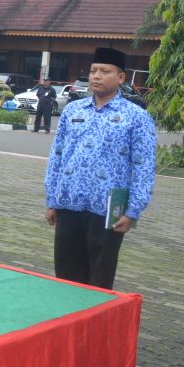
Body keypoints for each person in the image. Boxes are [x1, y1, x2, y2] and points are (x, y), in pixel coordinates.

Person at [44, 47, 157, 290]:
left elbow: (143, 166)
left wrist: (133, 210)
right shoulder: (73, 111)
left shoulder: (136, 117)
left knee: (99, 277)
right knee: (66, 276)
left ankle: (95, 326)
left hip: (108, 209)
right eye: (94, 71)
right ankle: (67, 323)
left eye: (105, 71)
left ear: (120, 77)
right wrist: (52, 199)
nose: (96, 76)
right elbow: (58, 155)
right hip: (69, 202)